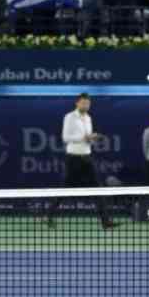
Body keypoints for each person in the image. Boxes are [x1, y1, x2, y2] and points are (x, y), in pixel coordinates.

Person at [47, 93, 118, 230]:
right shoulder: (69, 117)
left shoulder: (89, 118)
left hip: (87, 158)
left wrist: (92, 139)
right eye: (83, 103)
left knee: (98, 190)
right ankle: (49, 216)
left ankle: (106, 222)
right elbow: (65, 137)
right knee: (64, 190)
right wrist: (84, 137)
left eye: (88, 103)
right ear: (77, 103)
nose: (86, 105)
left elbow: (86, 139)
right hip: (73, 158)